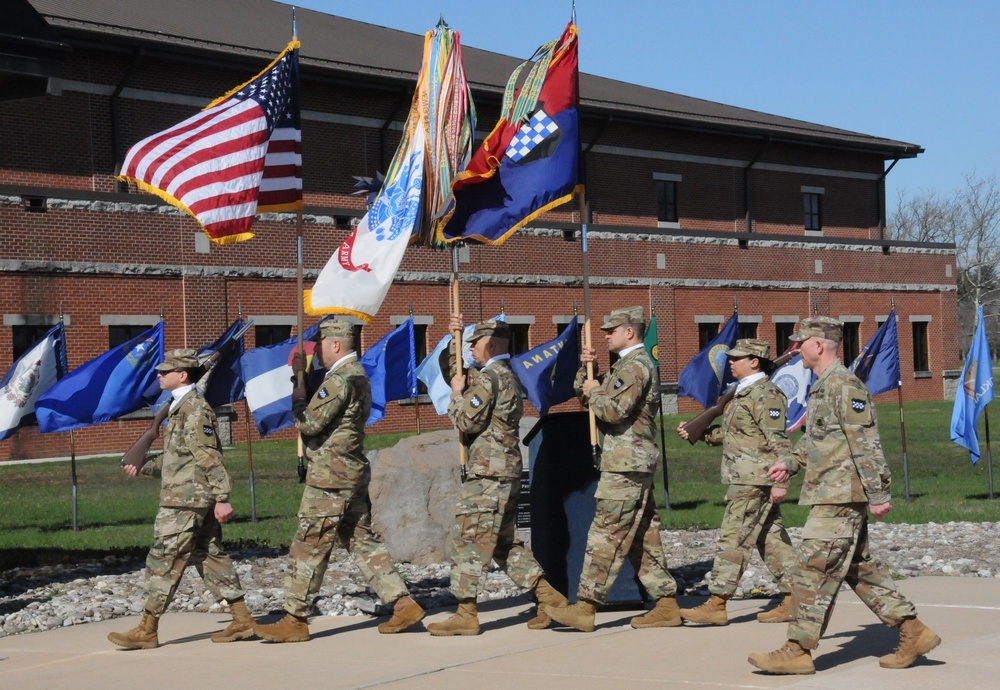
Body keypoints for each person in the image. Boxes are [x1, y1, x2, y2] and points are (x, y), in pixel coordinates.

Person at [748, 316, 941, 675]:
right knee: (857, 568)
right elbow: (818, 439)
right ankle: (913, 632)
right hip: (830, 491)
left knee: (811, 569)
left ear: (818, 345)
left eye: (800, 342)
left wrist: (879, 492)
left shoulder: (844, 386)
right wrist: (790, 461)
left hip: (841, 495)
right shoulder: (824, 386)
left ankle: (797, 650)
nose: (795, 349)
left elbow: (864, 443)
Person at [254, 320, 424, 642]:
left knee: (309, 544)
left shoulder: (341, 379)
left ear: (335, 345)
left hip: (331, 479)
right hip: (349, 474)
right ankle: (403, 603)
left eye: (319, 344)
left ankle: (295, 619)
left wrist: (299, 386)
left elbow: (308, 423)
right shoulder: (356, 375)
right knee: (361, 541)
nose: (315, 350)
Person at [427, 316, 567, 636]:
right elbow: (456, 370)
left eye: (472, 344)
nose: (470, 351)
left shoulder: (490, 379)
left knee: (469, 541)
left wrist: (457, 395)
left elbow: (465, 421)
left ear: (489, 344)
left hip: (489, 475)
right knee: (504, 544)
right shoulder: (505, 375)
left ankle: (465, 613)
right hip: (504, 471)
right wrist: (454, 339)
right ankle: (551, 600)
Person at [546, 306, 682, 632]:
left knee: (605, 534)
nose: (606, 335)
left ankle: (586, 607)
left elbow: (611, 409)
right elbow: (587, 394)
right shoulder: (625, 366)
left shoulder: (634, 367)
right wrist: (587, 369)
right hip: (632, 462)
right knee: (641, 537)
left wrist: (596, 392)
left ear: (629, 332)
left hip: (626, 464)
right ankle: (666, 604)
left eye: (612, 330)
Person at [108, 348, 253, 649]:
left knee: (163, 559)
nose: (159, 376)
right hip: (190, 498)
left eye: (165, 371)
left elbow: (209, 456)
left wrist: (223, 497)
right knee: (210, 556)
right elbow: (179, 457)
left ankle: (147, 629)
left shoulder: (194, 410)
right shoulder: (181, 406)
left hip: (186, 502)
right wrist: (144, 466)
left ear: (183, 375)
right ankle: (242, 620)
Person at [677, 338, 796, 625]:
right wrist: (700, 433)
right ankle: (797, 598)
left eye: (737, 358)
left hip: (754, 480)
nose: (730, 361)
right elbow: (736, 433)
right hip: (746, 477)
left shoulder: (766, 395)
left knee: (733, 538)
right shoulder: (741, 393)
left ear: (754, 361)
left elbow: (778, 439)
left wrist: (783, 480)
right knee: (771, 539)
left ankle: (717, 603)